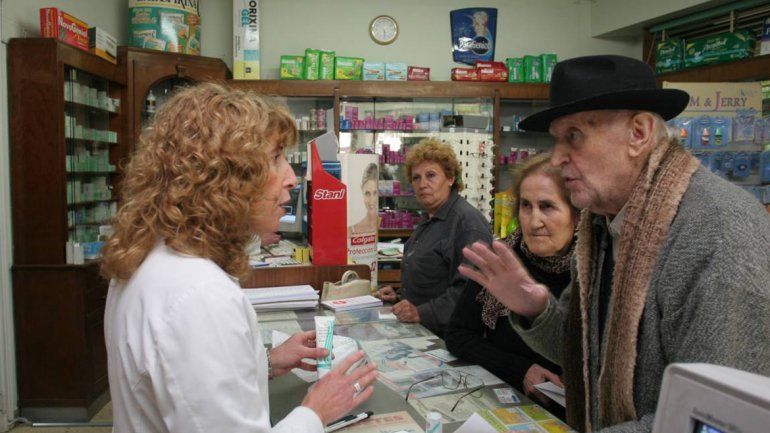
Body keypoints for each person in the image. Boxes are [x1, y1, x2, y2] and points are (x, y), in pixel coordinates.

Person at [458, 55, 770, 432]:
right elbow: (585, 355)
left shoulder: (716, 231)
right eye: (556, 140)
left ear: (638, 134)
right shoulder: (603, 226)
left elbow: (720, 418)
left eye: (574, 136)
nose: (556, 159)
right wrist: (535, 307)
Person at [101, 83, 378, 433]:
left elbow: (181, 386)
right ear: (226, 176)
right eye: (276, 159)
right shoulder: (199, 294)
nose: (292, 178)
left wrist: (261, 363)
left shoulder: (150, 255)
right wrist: (315, 411)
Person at [444, 153, 577, 411]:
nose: (534, 221)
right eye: (526, 206)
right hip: (505, 402)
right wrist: (520, 370)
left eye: (547, 206)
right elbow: (458, 334)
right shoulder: (501, 260)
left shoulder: (592, 269)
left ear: (576, 214)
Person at [376, 138, 492, 336]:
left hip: (451, 338)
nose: (423, 184)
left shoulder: (467, 224)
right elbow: (431, 281)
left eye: (431, 175)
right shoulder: (430, 219)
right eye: (416, 178)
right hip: (423, 332)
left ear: (450, 178)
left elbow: (471, 292)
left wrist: (420, 312)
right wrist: (399, 298)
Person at [348, 162, 379, 235]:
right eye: (367, 194)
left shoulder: (380, 222)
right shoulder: (351, 230)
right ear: (361, 189)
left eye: (375, 193)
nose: (372, 200)